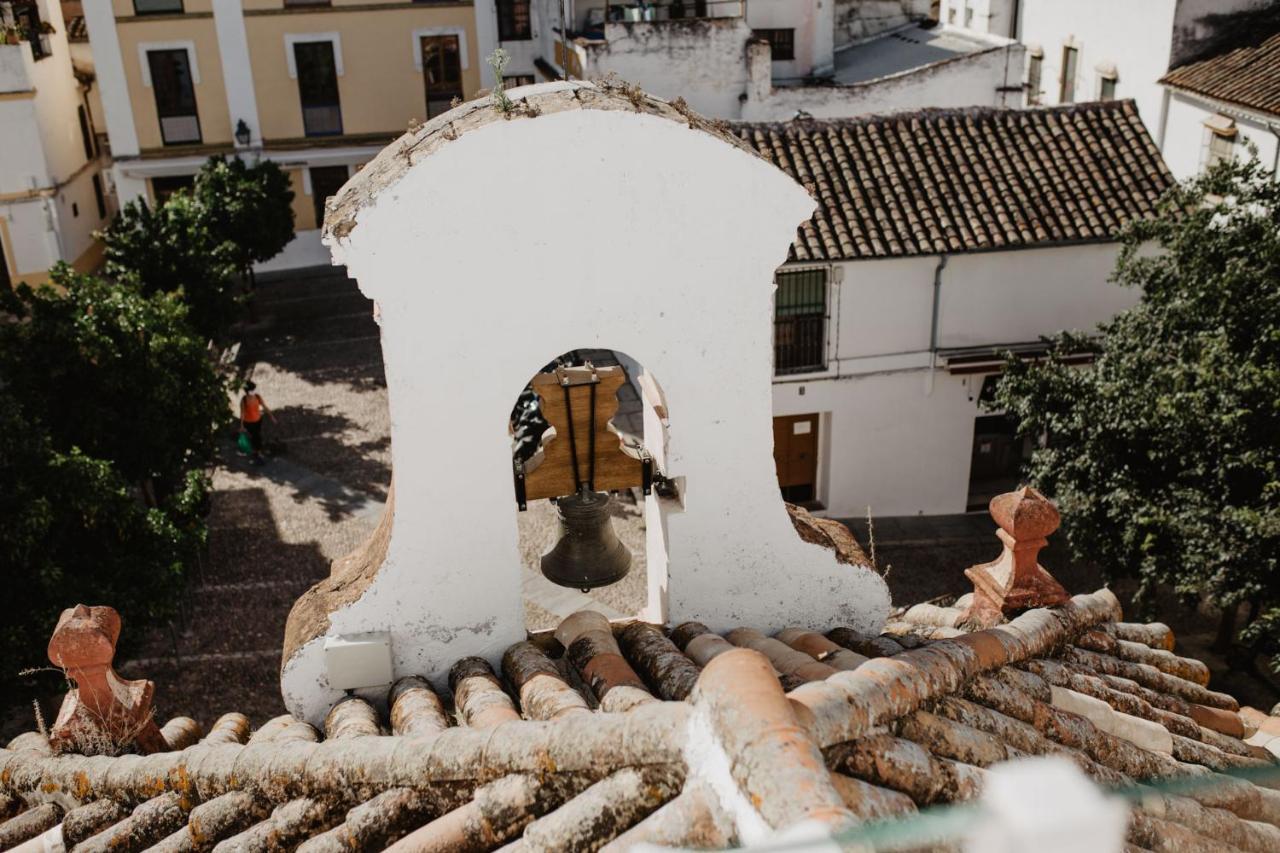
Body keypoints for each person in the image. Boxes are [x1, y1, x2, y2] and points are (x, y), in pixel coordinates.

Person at [239, 380, 275, 465]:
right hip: (248, 422)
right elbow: (242, 413)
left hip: (258, 420)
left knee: (256, 436)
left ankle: (256, 451)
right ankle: (257, 453)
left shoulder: (257, 397)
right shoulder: (244, 400)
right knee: (256, 437)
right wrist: (241, 425)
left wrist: (271, 416)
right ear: (248, 391)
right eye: (253, 389)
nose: (255, 391)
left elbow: (264, 407)